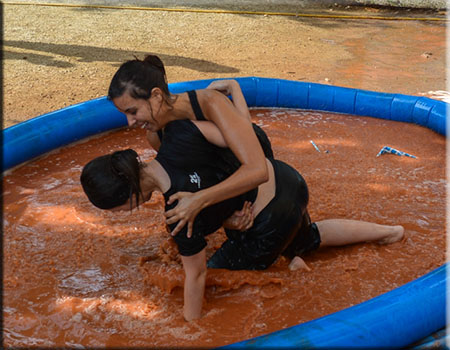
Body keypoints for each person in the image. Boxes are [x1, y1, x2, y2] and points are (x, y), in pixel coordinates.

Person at [80, 115, 404, 321]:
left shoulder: (178, 212)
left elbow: (196, 277)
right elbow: (249, 136)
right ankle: (389, 232)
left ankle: (293, 271)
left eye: (117, 209)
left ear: (126, 195)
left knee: (218, 281)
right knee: (305, 237)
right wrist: (227, 219)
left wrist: (189, 330)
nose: (122, 215)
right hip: (286, 180)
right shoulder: (179, 140)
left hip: (269, 221)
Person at [108, 55, 269, 238]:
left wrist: (199, 201)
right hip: (227, 171)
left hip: (256, 157)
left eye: (133, 112)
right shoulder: (155, 135)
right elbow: (192, 179)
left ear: (156, 96)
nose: (129, 122)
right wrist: (222, 219)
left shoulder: (209, 102)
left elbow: (258, 169)